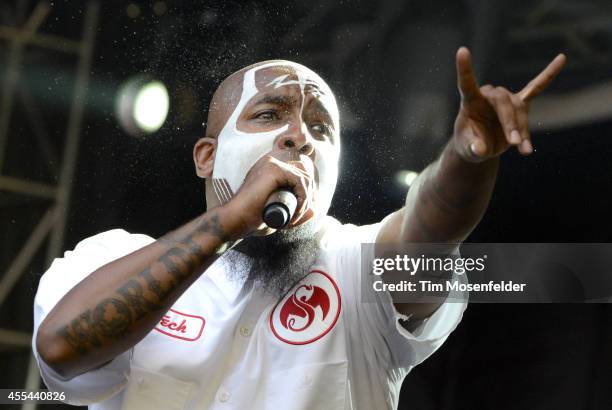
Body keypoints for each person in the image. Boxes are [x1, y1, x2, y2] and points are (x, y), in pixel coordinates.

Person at [32, 47, 565, 409]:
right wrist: (228, 221)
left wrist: (465, 158)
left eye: (320, 128)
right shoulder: (109, 258)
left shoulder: (357, 266)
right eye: (269, 115)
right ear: (206, 157)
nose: (298, 138)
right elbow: (60, 349)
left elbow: (432, 224)